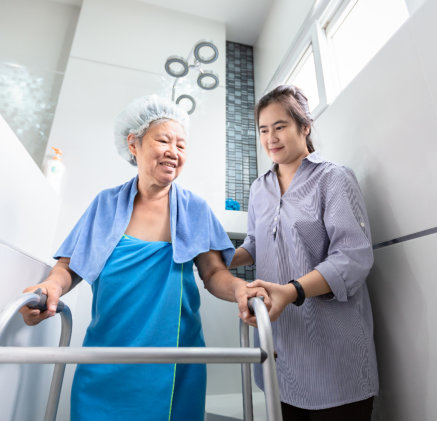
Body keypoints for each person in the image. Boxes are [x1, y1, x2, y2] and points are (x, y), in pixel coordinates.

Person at [20, 95, 269, 421]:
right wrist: (51, 286)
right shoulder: (106, 205)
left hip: (174, 361)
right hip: (106, 357)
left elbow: (213, 274)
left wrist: (238, 289)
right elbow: (70, 266)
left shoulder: (194, 208)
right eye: (163, 140)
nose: (173, 152)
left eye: (181, 145)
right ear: (133, 143)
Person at [231, 85, 379, 420]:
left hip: (333, 352)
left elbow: (352, 258)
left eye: (280, 126)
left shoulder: (333, 178)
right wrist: (220, 257)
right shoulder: (259, 188)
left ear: (305, 126)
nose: (271, 138)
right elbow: (255, 243)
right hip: (282, 349)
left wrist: (292, 290)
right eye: (264, 130)